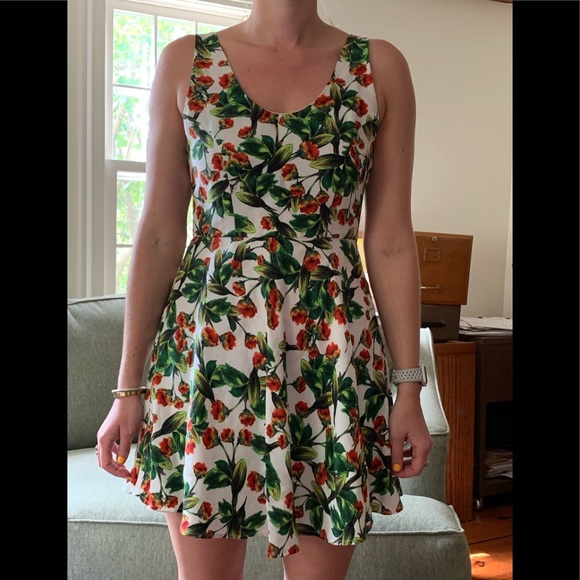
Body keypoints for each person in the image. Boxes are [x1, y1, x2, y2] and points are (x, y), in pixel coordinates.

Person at [96, 1, 433, 578]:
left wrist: (409, 388)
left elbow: (391, 242)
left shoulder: (380, 67)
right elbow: (157, 234)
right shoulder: (185, 63)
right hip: (207, 358)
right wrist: (128, 390)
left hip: (330, 362)